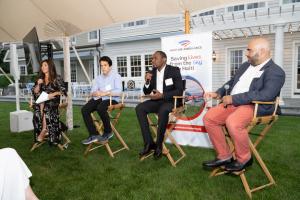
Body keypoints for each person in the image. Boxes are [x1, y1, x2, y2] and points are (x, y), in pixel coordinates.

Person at [202, 38, 285, 172]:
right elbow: (232, 81)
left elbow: (266, 95)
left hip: (254, 105)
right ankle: (224, 156)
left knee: (233, 122)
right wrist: (219, 93)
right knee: (209, 118)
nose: (246, 53)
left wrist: (233, 98)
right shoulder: (245, 66)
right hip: (234, 103)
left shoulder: (276, 71)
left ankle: (244, 158)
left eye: (249, 50)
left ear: (262, 51)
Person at [136, 51, 183, 159]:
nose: (152, 60)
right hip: (156, 101)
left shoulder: (174, 70)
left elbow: (179, 91)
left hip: (171, 101)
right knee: (140, 108)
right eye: (152, 58)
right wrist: (147, 81)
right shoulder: (152, 72)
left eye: (155, 58)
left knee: (163, 110)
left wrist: (162, 95)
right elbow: (146, 91)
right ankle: (148, 143)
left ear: (164, 59)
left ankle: (158, 144)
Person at [81, 56, 122, 145]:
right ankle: (93, 134)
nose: (103, 67)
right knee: (84, 109)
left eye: (105, 65)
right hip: (99, 98)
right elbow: (93, 91)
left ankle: (108, 131)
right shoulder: (98, 78)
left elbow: (119, 91)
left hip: (112, 99)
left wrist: (105, 93)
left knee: (100, 107)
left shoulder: (116, 76)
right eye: (101, 65)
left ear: (110, 66)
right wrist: (95, 93)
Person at [32, 59, 67, 145]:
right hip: (43, 100)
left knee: (47, 106)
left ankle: (44, 129)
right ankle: (45, 128)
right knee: (37, 109)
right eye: (42, 66)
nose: (42, 67)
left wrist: (53, 94)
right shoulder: (41, 79)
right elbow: (35, 92)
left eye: (45, 65)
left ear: (50, 67)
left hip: (54, 100)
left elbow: (63, 91)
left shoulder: (57, 78)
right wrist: (38, 84)